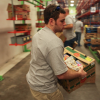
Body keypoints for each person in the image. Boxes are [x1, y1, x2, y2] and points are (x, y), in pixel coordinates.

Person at [26, 4, 87, 100]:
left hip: (33, 81)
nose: (64, 24)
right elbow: (62, 75)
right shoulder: (55, 42)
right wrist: (80, 73)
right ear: (51, 21)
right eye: (62, 21)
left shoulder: (37, 35)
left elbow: (34, 55)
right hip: (45, 89)